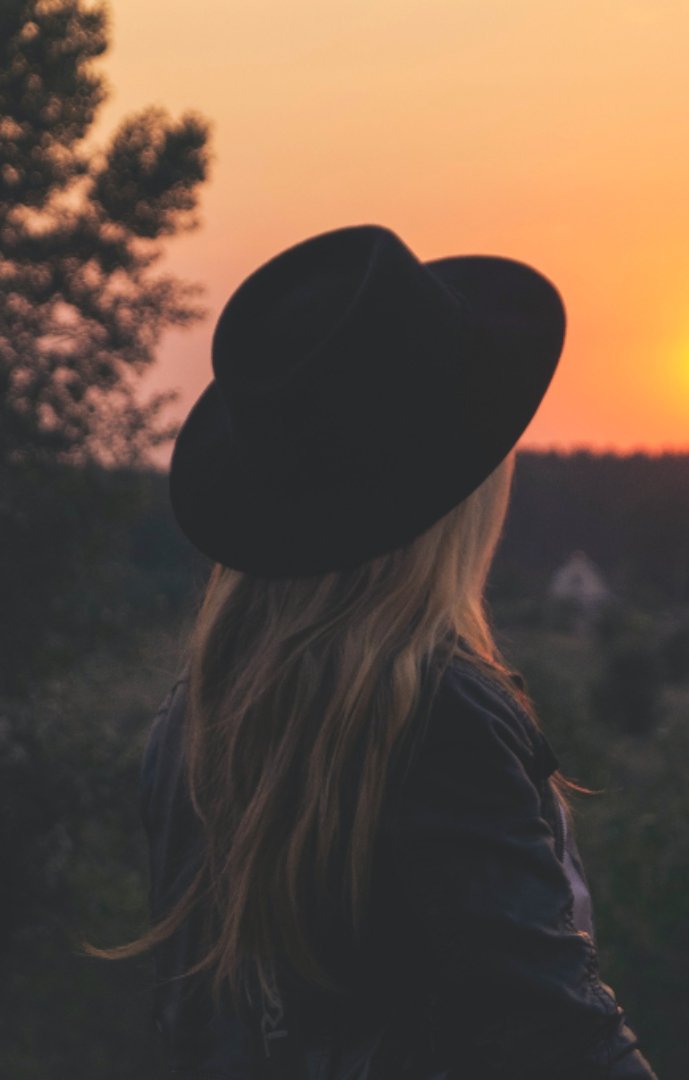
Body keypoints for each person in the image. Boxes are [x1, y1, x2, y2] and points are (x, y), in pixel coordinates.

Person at [96, 225, 659, 1078]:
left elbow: (196, 1033)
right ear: (461, 485)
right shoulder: (433, 715)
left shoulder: (195, 721)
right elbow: (553, 1035)